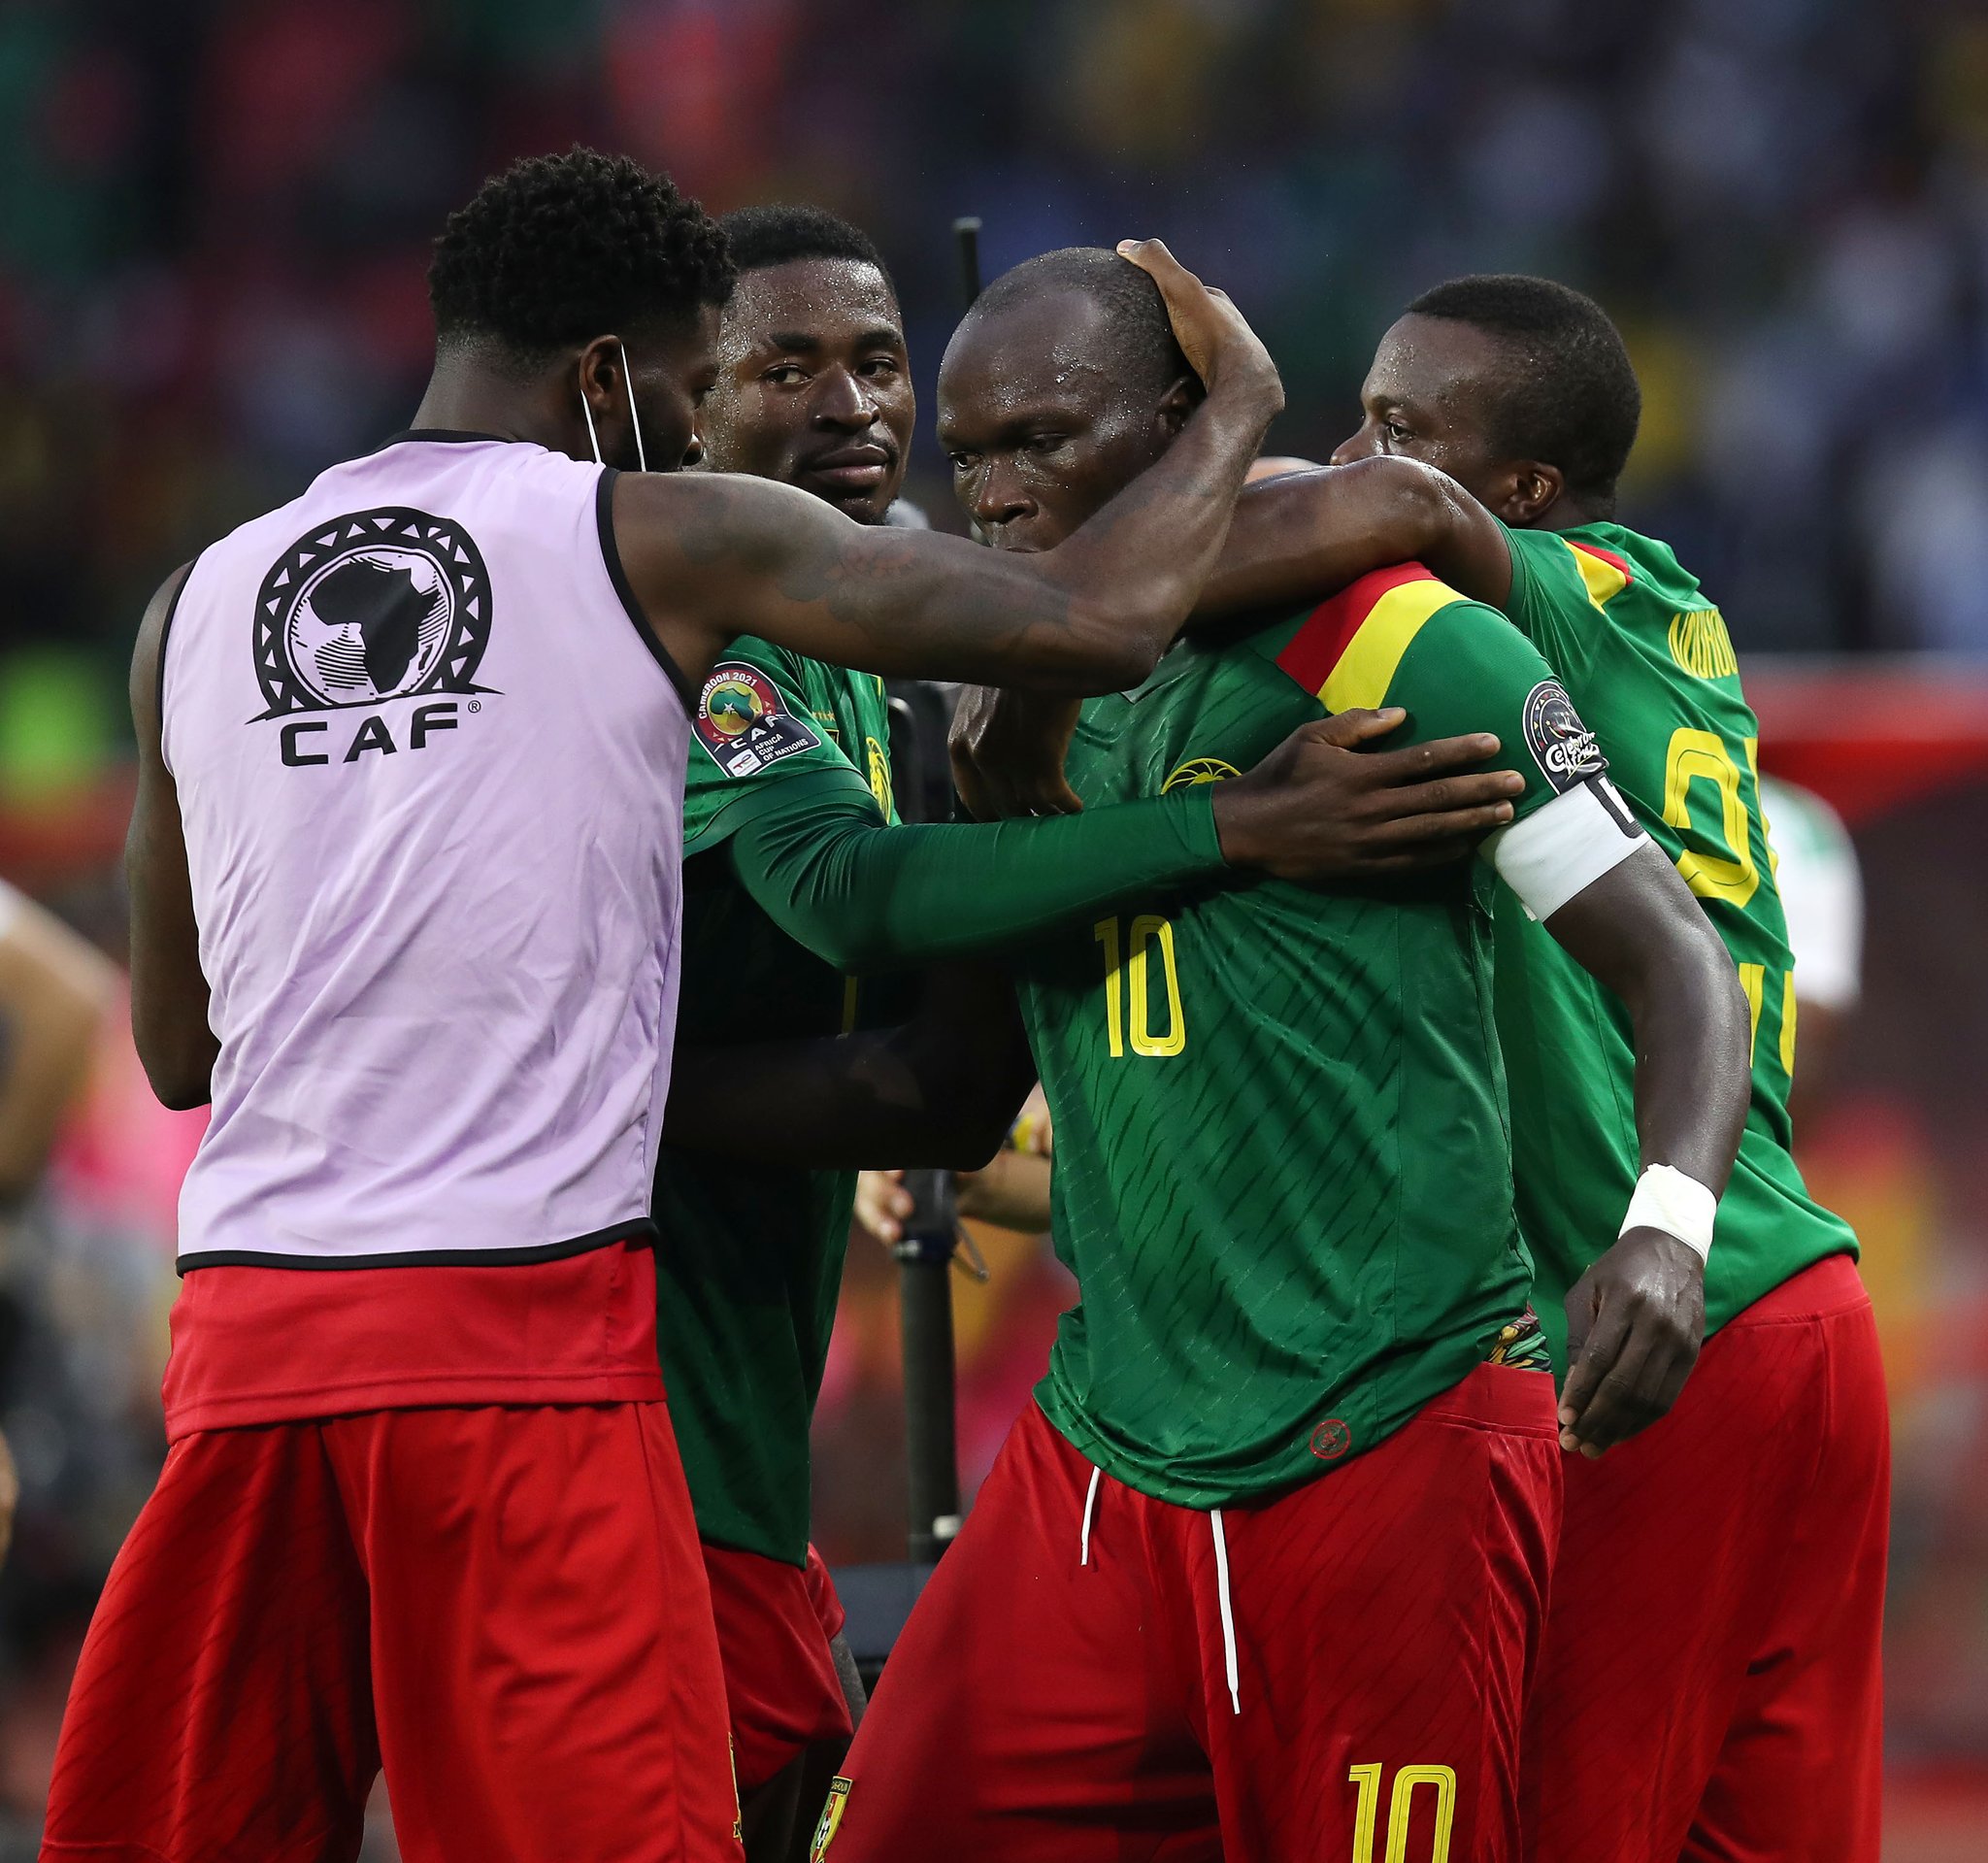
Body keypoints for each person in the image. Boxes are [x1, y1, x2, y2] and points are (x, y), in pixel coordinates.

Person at [42, 149, 1293, 1863]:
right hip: (519, 1339)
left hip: (249, 1347)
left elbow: (182, 1052)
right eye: (709, 385)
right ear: (614, 379)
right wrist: (1236, 409)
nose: (708, 424)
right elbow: (1101, 619)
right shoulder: (661, 530)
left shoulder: (198, 596)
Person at [678, 247, 1752, 1863]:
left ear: (1187, 422)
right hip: (1106, 1450)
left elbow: (1675, 956)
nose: (995, 493)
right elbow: (956, 1064)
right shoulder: (994, 699)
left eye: (1041, 438)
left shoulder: (1391, 646)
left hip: (1382, 1442)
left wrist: (1668, 1228)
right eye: (971, 455)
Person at [963, 275, 1882, 1863]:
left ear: (1516, 493)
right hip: (1791, 1303)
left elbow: (1359, 517)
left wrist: (1051, 598)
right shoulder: (1662, 610)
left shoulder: (1492, 601)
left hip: (1653, 1317)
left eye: (1399, 426)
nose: (1353, 454)